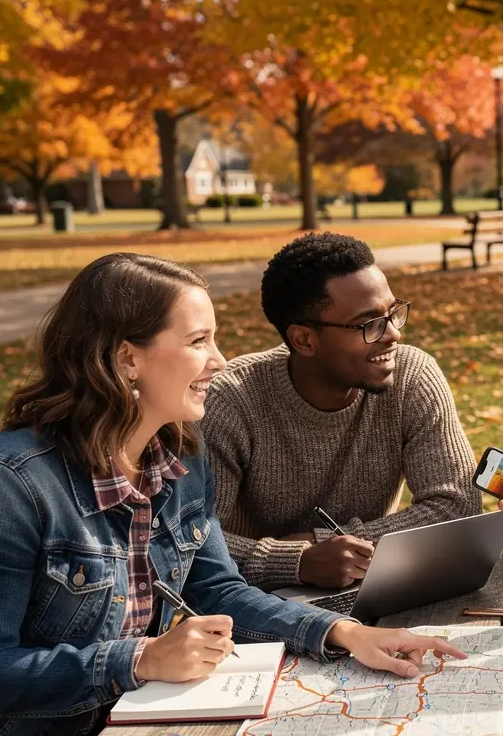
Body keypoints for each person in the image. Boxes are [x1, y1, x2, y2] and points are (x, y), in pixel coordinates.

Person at [0, 253, 465, 736]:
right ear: (127, 357)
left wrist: (342, 633)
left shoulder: (179, 459)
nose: (219, 361)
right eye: (199, 340)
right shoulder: (9, 485)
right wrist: (139, 659)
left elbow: (222, 589)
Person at [199, 232, 481, 591]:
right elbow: (194, 543)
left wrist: (330, 545)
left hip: (374, 587)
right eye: (369, 324)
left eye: (393, 313)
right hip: (257, 604)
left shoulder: (412, 376)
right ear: (304, 340)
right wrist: (297, 563)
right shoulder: (232, 401)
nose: (393, 334)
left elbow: (457, 507)